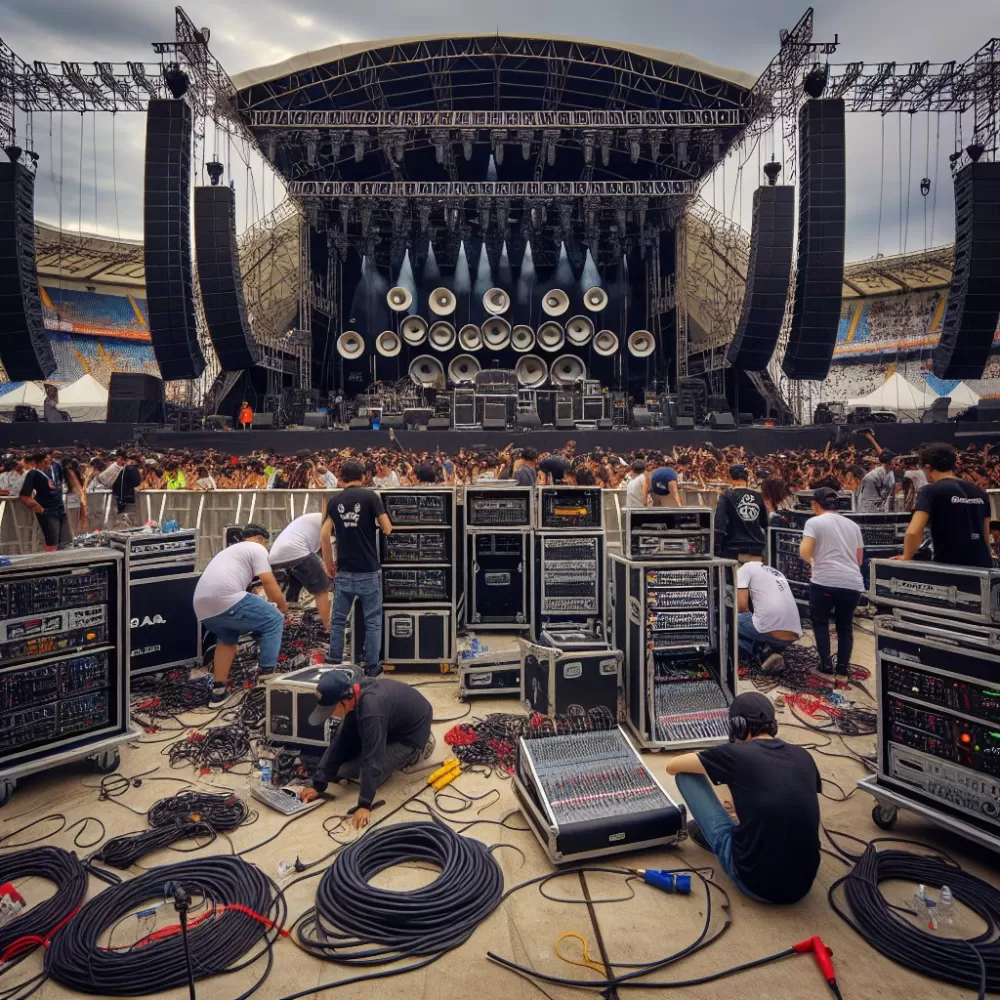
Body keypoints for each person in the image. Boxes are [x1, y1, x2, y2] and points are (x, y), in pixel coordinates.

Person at [665, 692, 821, 904]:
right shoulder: (805, 756)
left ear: (738, 726)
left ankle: (722, 839)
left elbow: (672, 766)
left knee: (686, 775)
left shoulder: (736, 754)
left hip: (754, 883)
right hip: (802, 887)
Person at [299, 670, 435, 828]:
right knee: (342, 770)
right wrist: (318, 784)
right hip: (388, 724)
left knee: (365, 774)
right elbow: (340, 742)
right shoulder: (353, 696)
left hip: (410, 735)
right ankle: (383, 738)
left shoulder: (371, 709)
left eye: (330, 710)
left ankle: (417, 753)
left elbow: (373, 757)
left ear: (344, 701)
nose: (329, 716)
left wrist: (364, 804)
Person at [194, 523, 287, 708]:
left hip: (202, 607)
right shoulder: (256, 548)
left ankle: (218, 692)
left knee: (227, 640)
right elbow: (269, 582)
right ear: (261, 539)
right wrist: (282, 607)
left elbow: (243, 592)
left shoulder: (230, 551)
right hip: (225, 598)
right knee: (274, 619)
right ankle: (267, 679)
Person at [321, 459, 393, 675]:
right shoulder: (371, 497)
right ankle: (372, 667)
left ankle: (334, 659)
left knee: (338, 620)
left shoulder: (334, 501)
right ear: (363, 477)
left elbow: (324, 535)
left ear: (341, 477)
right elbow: (387, 528)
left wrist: (328, 565)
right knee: (372, 621)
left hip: (344, 570)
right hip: (368, 570)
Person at [799, 487, 864, 677]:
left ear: (815, 504)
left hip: (824, 581)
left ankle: (825, 665)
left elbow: (805, 551)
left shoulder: (814, 522)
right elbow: (858, 560)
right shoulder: (853, 526)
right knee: (845, 625)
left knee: (820, 622)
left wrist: (813, 562)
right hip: (852, 583)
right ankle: (843, 667)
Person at [898, 442, 992, 568]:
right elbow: (985, 535)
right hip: (982, 566)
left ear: (927, 467)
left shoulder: (929, 491)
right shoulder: (980, 492)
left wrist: (907, 558)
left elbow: (913, 532)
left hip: (950, 568)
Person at [736, 556, 802, 671]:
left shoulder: (745, 568)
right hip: (793, 634)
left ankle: (762, 654)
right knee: (753, 623)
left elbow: (742, 608)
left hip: (773, 633)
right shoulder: (775, 572)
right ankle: (771, 651)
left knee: (725, 623)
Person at [269, 511, 331, 629]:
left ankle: (288, 619)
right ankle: (328, 627)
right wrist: (329, 567)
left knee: (295, 583)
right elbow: (325, 543)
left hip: (275, 556)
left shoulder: (314, 519)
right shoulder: (330, 520)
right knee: (322, 588)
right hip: (296, 551)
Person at [18, 452, 71, 551]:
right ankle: (51, 562)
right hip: (49, 511)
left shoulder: (50, 473)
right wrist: (41, 510)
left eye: (49, 462)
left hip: (60, 509)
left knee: (64, 542)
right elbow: (25, 496)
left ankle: (62, 562)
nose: (48, 464)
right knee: (52, 541)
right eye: (45, 462)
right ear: (39, 462)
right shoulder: (33, 473)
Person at [714, 465, 768, 559]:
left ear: (730, 478)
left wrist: (716, 549)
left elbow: (719, 525)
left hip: (733, 551)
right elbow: (766, 523)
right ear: (747, 478)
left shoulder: (726, 496)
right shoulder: (759, 496)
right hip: (757, 551)